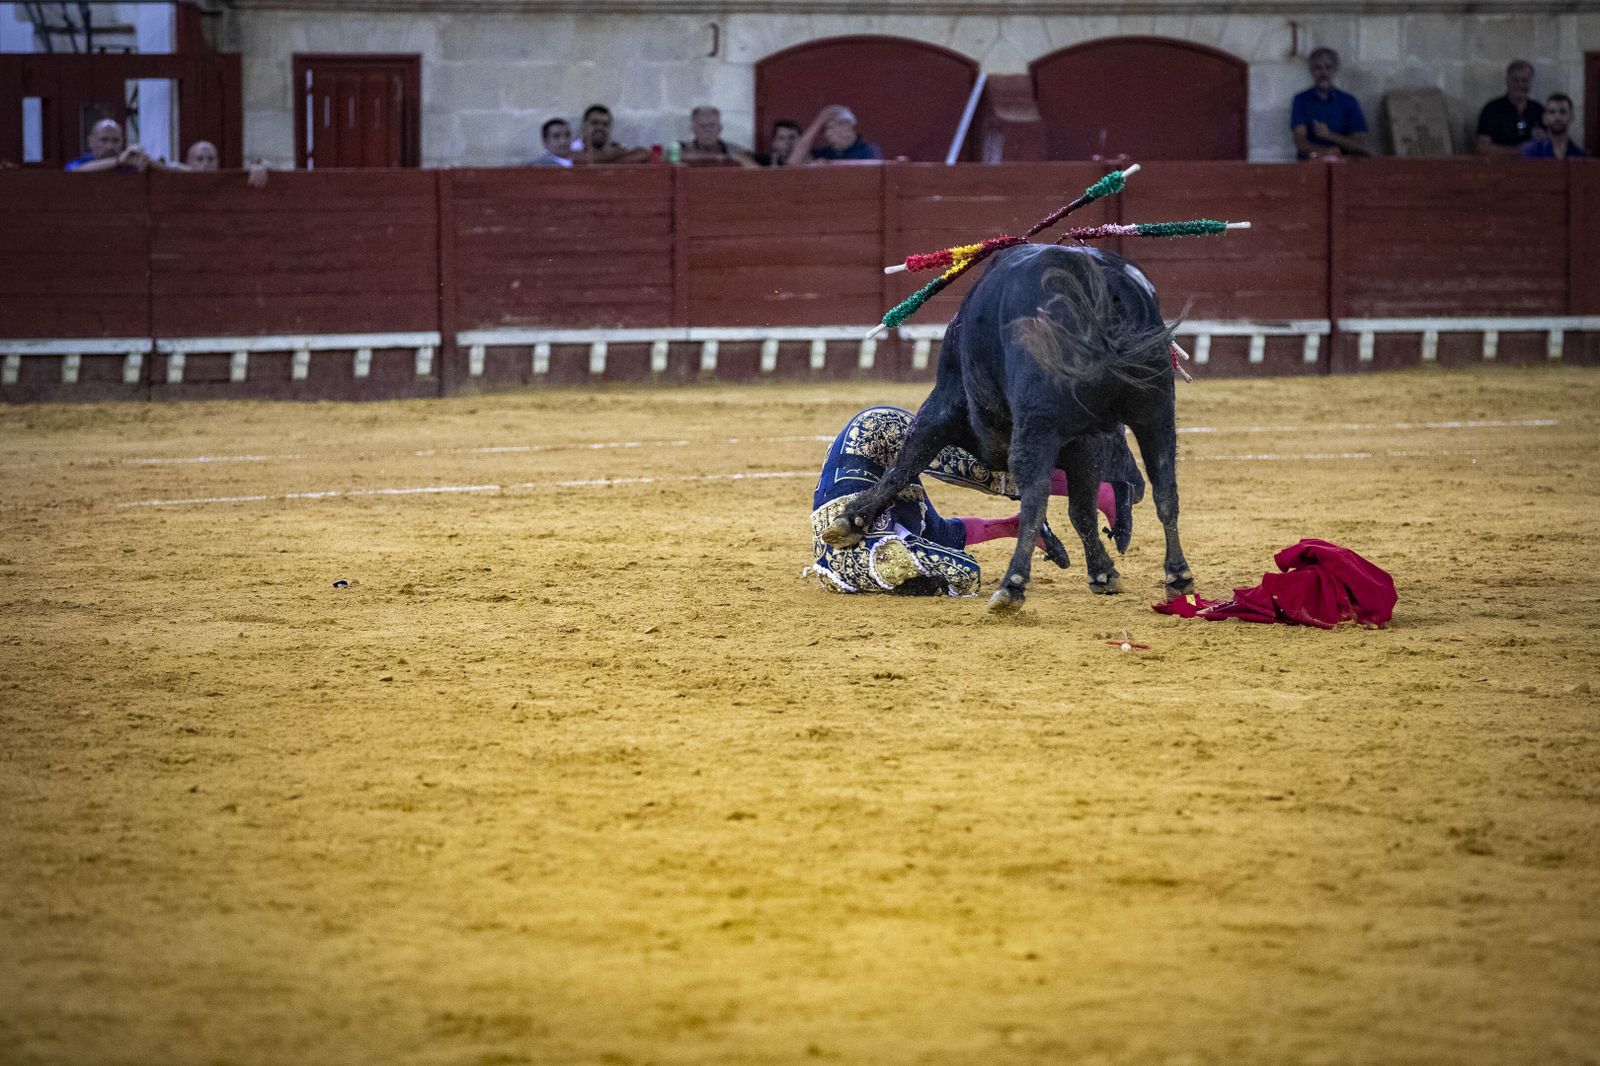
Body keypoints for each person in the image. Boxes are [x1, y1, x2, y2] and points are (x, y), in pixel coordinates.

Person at [807, 406, 1131, 596]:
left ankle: (1104, 492)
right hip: (878, 501)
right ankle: (1017, 526)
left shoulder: (886, 558)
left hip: (873, 435)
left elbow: (964, 573)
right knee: (941, 534)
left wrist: (939, 585)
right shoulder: (890, 548)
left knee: (980, 472)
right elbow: (942, 543)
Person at [1290, 48, 1369, 159]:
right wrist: (1326, 151)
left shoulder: (1349, 101)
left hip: (1344, 166)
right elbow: (1300, 143)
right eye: (1318, 68)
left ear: (1335, 70)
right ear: (1311, 71)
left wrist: (1329, 135)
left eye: (1328, 67)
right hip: (1311, 167)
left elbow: (1360, 146)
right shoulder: (1301, 100)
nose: (1324, 73)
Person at [1477, 60, 1545, 156]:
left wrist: (1544, 140)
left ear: (1531, 81)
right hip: (1500, 168)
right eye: (1516, 80)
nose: (1520, 85)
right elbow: (1482, 147)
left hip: (1534, 168)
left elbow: (1553, 144)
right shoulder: (1492, 109)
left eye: (1525, 80)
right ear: (1507, 81)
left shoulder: (1539, 110)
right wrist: (1517, 151)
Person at [790, 105, 883, 165]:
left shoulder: (868, 150)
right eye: (824, 129)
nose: (827, 133)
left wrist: (829, 164)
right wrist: (818, 122)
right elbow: (793, 162)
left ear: (847, 126)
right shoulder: (825, 153)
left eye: (831, 127)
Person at [676, 105, 758, 167]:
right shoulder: (682, 148)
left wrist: (740, 160)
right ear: (693, 129)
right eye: (702, 126)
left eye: (712, 126)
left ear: (720, 128)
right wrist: (717, 157)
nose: (707, 130)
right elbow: (670, 161)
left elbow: (756, 172)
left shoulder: (735, 150)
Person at [572, 105, 650, 165]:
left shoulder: (617, 147)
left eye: (605, 124)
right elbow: (570, 158)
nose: (600, 128)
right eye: (594, 123)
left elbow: (643, 154)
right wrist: (611, 157)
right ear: (584, 125)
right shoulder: (573, 147)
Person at [65, 118, 149, 173]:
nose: (110, 146)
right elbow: (73, 172)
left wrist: (145, 160)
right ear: (91, 141)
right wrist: (117, 161)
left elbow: (161, 170)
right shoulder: (81, 162)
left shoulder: (127, 164)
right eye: (104, 140)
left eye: (116, 141)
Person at [1521, 93, 1585, 158]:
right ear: (1545, 118)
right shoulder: (1531, 151)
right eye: (1552, 112)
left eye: (1562, 112)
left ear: (1571, 117)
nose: (1557, 117)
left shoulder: (1580, 155)